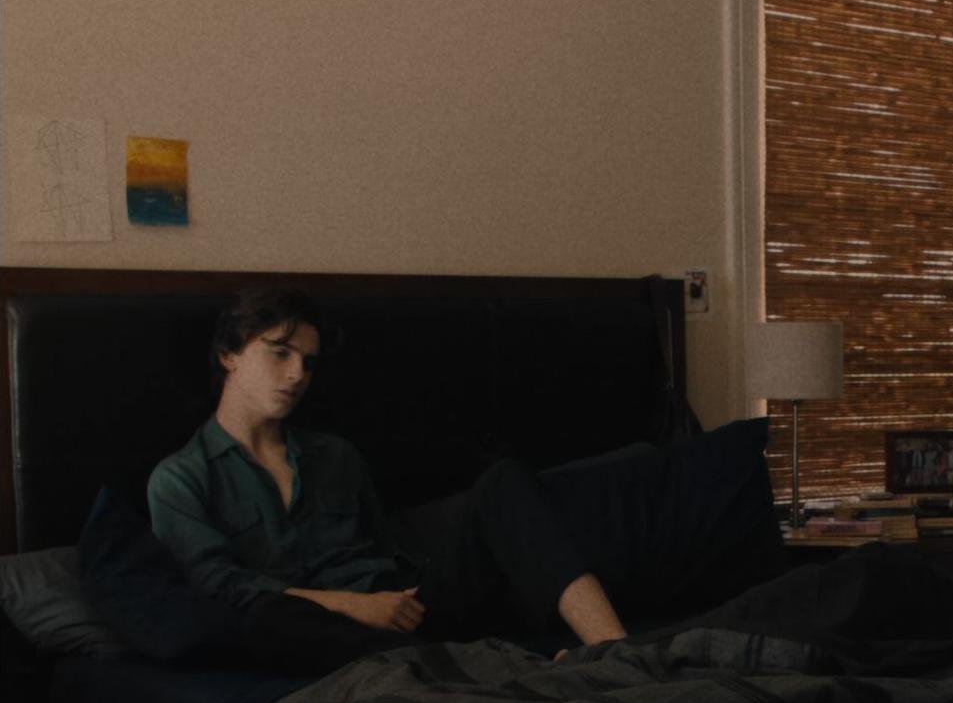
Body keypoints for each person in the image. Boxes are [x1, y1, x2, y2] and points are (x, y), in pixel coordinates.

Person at [148, 288, 629, 674]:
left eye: (308, 362)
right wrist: (354, 607)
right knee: (272, 620)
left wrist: (400, 597)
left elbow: (385, 550)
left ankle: (617, 654)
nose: (297, 375)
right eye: (280, 353)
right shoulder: (181, 479)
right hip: (318, 630)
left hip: (403, 608)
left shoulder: (335, 455)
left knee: (504, 482)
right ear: (229, 355)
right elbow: (220, 589)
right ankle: (499, 667)